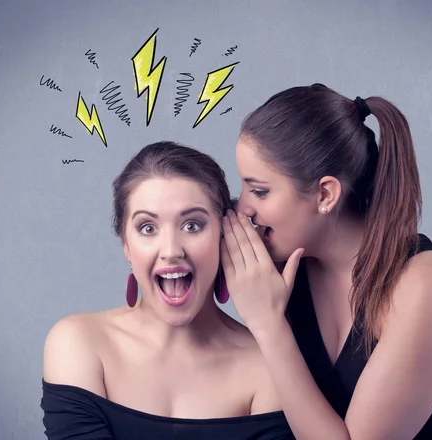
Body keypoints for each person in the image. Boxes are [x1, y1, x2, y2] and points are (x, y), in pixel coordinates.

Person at [221, 84, 432, 439]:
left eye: (260, 191)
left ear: (325, 194)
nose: (243, 208)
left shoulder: (425, 287)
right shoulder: (286, 267)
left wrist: (268, 324)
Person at [41, 142, 294, 440]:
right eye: (147, 228)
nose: (171, 251)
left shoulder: (268, 365)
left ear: (226, 235)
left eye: (192, 225)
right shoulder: (77, 344)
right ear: (126, 244)